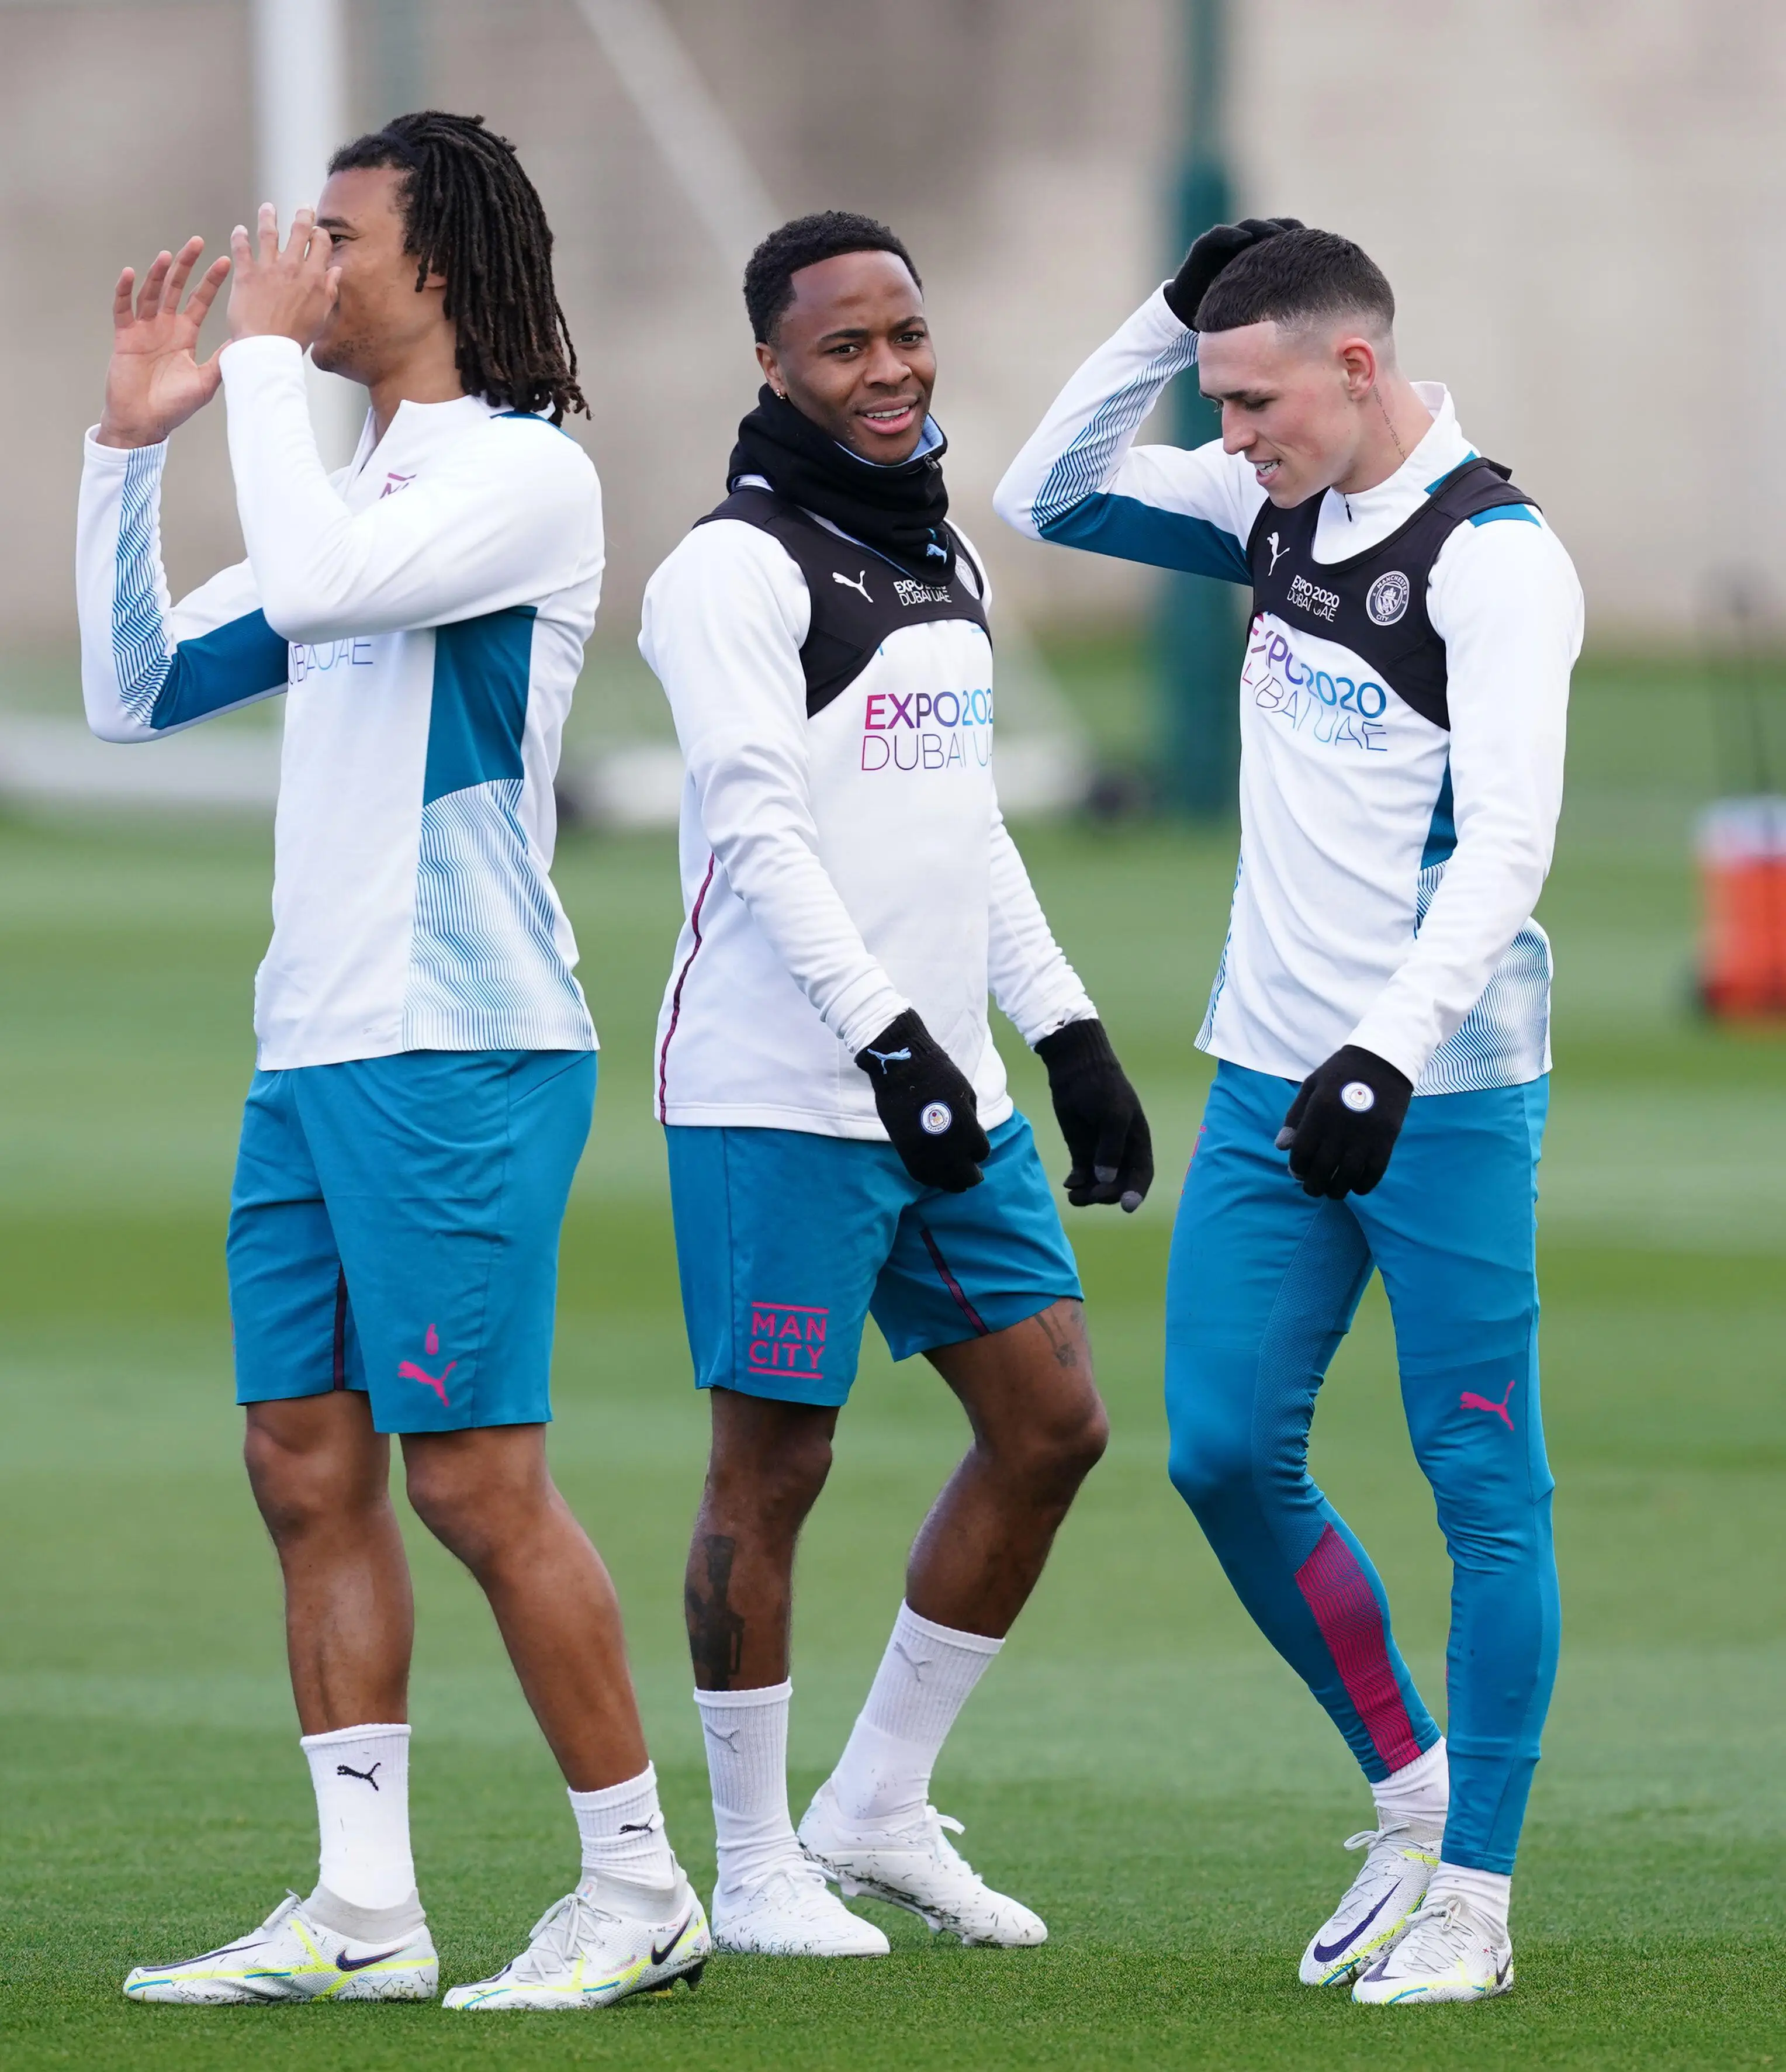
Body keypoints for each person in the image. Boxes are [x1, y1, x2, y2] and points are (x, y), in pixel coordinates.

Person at [76, 111, 708, 2012]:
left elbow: (335, 582)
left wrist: (259, 366)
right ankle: (364, 1911)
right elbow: (130, 692)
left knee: (473, 1481)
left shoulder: (519, 481)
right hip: (319, 1038)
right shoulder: (341, 492)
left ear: (436, 273)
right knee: (304, 1462)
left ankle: (638, 1890)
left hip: (462, 1036)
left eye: (334, 237)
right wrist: (129, 445)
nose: (297, 261)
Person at [996, 222, 1581, 2004]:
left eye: (1255, 399)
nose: (1233, 432)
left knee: (1484, 1478)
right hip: (1267, 1072)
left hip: (1440, 1086)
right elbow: (1044, 490)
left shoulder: (1494, 561)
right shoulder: (1270, 505)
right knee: (1224, 1452)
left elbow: (1507, 848)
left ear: (1355, 366)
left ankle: (1475, 1895)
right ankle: (1410, 1795)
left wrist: (1388, 1052)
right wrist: (1168, 312)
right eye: (1216, 400)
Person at [639, 211, 1152, 1959]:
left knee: (1053, 1427)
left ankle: (875, 1808)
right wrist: (888, 1036)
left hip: (948, 1093)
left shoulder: (951, 556)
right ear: (774, 366)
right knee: (771, 1469)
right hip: (781, 1094)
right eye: (847, 348)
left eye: (907, 337)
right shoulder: (729, 571)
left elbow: (963, 825)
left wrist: (1065, 1034)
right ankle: (757, 1859)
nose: (889, 373)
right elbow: (761, 834)